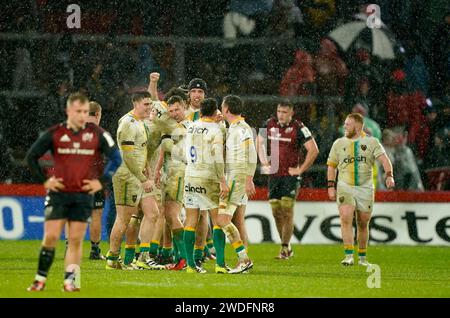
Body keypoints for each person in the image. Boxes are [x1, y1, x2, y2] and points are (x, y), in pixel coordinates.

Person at [25, 92, 121, 291]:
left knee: (76, 240)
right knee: (51, 237)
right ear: (68, 111)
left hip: (82, 195)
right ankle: (40, 279)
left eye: (85, 112)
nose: (82, 115)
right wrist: (45, 180)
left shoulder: (97, 134)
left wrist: (101, 181)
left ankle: (71, 282)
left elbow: (116, 158)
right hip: (59, 194)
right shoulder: (56, 133)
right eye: (78, 111)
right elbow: (32, 156)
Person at [327, 113, 395, 266]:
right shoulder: (338, 143)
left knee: (363, 222)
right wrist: (331, 186)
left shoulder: (372, 142)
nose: (344, 126)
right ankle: (348, 256)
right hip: (345, 186)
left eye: (348, 124)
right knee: (345, 217)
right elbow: (331, 166)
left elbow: (385, 160)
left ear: (357, 126)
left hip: (365, 187)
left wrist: (389, 176)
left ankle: (362, 257)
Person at [257, 100, 319, 259]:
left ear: (291, 113)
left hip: (290, 176)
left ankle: (284, 247)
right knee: (276, 210)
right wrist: (264, 161)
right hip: (274, 175)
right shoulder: (269, 124)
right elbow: (259, 141)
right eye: (279, 111)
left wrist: (301, 169)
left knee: (287, 207)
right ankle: (286, 245)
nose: (281, 115)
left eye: (284, 112)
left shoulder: (299, 128)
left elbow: (313, 150)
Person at [105, 92, 154, 270]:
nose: (149, 108)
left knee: (153, 212)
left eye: (150, 104)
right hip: (126, 176)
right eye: (145, 104)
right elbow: (127, 156)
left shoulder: (141, 122)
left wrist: (147, 167)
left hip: (138, 175)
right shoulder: (127, 123)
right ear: (135, 103)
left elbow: (141, 149)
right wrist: (142, 178)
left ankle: (142, 257)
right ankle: (112, 259)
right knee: (123, 219)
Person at [183, 98, 229, 273]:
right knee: (218, 220)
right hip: (208, 177)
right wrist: (222, 180)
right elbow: (217, 154)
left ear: (201, 112)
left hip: (190, 175)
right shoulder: (216, 130)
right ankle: (220, 264)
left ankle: (191, 265)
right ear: (216, 111)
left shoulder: (191, 126)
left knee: (190, 221)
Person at [216, 95, 256, 274]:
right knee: (234, 220)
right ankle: (244, 261)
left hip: (237, 176)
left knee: (223, 219)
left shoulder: (242, 128)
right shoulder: (234, 127)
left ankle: (244, 259)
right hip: (235, 175)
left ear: (226, 110)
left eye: (222, 108)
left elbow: (251, 154)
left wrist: (249, 179)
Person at [154, 95, 190, 270]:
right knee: (169, 215)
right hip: (170, 173)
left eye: (177, 109)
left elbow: (173, 149)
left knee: (171, 214)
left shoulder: (187, 125)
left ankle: (184, 258)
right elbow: (164, 150)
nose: (174, 113)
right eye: (171, 110)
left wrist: (165, 140)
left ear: (184, 107)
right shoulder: (172, 126)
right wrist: (157, 171)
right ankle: (180, 257)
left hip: (179, 173)